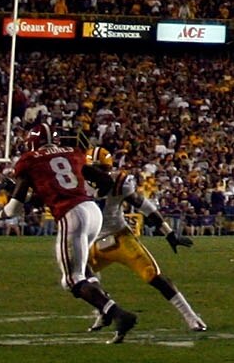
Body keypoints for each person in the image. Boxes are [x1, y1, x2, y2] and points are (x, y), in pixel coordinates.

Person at [2, 112, 137, 341]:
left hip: (71, 214)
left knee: (72, 279)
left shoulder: (30, 160)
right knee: (83, 269)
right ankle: (104, 309)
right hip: (93, 210)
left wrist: (5, 207)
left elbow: (14, 210)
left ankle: (117, 314)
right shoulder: (72, 153)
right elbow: (105, 181)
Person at [82, 129, 208, 332]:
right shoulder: (75, 184)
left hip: (120, 238)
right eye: (95, 169)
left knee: (153, 275)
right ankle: (104, 310)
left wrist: (169, 233)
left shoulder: (120, 183)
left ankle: (191, 317)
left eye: (102, 169)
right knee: (79, 275)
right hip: (91, 241)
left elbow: (144, 206)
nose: (99, 174)